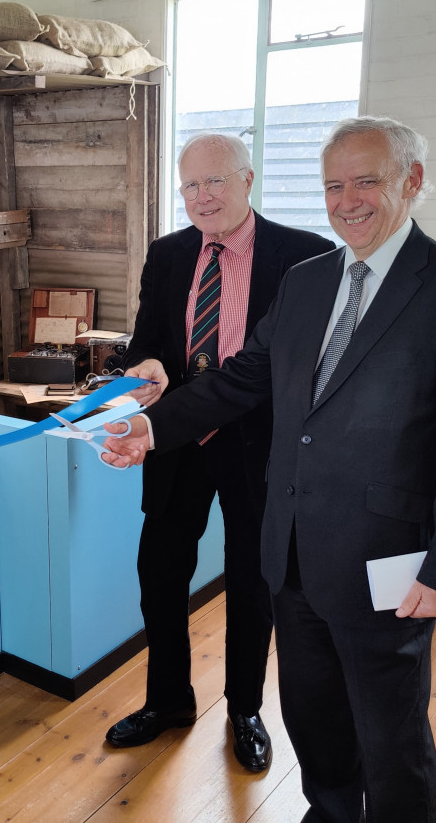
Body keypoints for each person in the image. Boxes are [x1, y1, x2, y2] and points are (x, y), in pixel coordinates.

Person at [102, 116, 436, 822]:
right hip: (288, 550)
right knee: (312, 719)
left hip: (386, 557)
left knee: (390, 735)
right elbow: (238, 381)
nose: (346, 200)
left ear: (410, 182)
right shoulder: (305, 282)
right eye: (332, 185)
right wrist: (149, 426)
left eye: (366, 181)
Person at [105, 133, 334, 773]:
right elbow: (146, 341)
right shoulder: (168, 253)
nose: (201, 197)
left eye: (215, 182)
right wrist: (145, 364)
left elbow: (302, 369)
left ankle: (245, 710)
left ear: (248, 180)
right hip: (177, 439)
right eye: (189, 187)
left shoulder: (306, 257)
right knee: (161, 573)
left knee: (253, 582)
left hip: (257, 446)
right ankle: (168, 701)